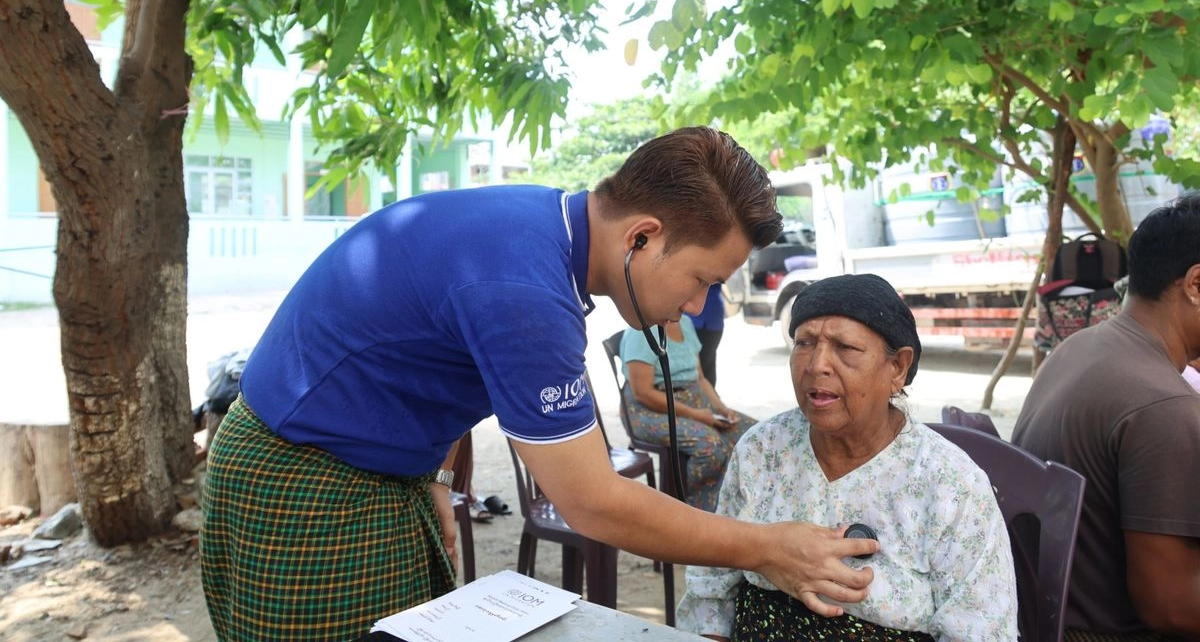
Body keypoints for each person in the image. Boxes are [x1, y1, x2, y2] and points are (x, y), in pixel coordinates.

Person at [200, 127, 879, 642]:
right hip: (311, 488)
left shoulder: (536, 226)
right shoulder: (524, 290)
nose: (700, 307)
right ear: (642, 237)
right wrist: (766, 548)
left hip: (345, 466)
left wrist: (432, 470)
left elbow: (419, 339)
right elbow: (592, 501)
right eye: (703, 279)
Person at [678, 273, 1018, 642]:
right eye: (805, 343)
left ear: (898, 368)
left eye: (845, 347)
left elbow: (980, 630)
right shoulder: (761, 450)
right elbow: (711, 593)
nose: (817, 365)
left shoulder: (951, 483)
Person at [1012, 193, 1200, 642]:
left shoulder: (1082, 346)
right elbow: (1172, 607)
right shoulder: (1164, 406)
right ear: (1195, 284)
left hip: (1049, 615)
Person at [620, 313, 754, 511]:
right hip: (650, 410)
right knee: (712, 446)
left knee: (752, 433)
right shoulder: (641, 330)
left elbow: (699, 377)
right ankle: (697, 510)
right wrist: (696, 414)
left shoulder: (685, 322)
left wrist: (720, 407)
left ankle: (737, 507)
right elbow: (643, 393)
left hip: (694, 400)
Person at [687, 283, 726, 386]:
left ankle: (708, 399)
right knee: (702, 367)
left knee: (703, 367)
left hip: (707, 317)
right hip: (700, 317)